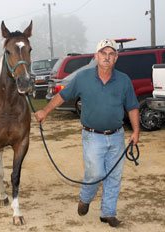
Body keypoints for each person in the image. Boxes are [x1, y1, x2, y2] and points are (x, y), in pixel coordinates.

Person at [35, 39, 140, 227]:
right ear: (96, 56)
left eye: (111, 54)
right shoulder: (83, 78)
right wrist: (45, 111)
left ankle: (108, 213)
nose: (107, 57)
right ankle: (85, 198)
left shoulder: (123, 80)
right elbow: (62, 95)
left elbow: (132, 107)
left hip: (117, 135)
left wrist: (136, 132)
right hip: (93, 136)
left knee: (114, 176)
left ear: (116, 58)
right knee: (95, 173)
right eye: (103, 53)